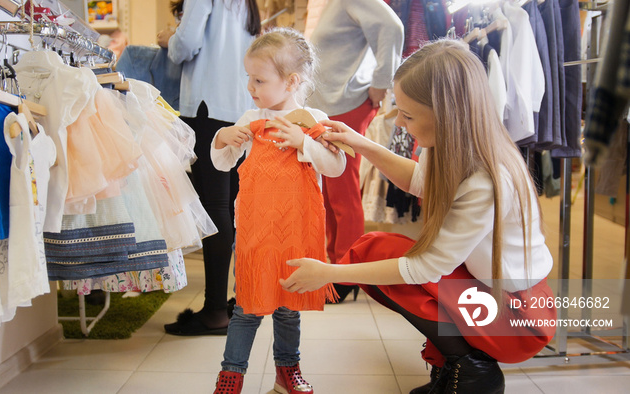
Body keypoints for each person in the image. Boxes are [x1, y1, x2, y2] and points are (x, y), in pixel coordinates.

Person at [280, 39, 556, 394]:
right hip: (489, 289)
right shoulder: (450, 146)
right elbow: (418, 181)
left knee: (384, 261)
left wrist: (330, 272)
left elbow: (425, 268)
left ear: (446, 114)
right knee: (372, 249)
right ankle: (456, 359)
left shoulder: (486, 179)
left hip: (518, 317)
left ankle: (473, 371)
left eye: (408, 115)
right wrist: (360, 142)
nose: (398, 122)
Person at [210, 28, 346, 394]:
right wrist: (223, 138)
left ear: (291, 81)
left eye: (259, 79)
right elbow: (223, 163)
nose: (251, 87)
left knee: (288, 306)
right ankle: (231, 375)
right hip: (255, 229)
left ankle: (287, 371)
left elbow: (336, 166)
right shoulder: (250, 117)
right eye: (248, 78)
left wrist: (305, 142)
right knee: (247, 306)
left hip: (296, 229)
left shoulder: (312, 117)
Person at [157, 0, 261, 336]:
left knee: (215, 208)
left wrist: (168, 39)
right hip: (239, 106)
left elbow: (185, 45)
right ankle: (233, 300)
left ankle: (216, 309)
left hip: (207, 106)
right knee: (229, 207)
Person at [307, 0, 405, 302]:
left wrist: (382, 82)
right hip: (330, 107)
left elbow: (393, 26)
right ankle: (336, 270)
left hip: (344, 106)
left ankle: (346, 275)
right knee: (329, 193)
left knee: (342, 193)